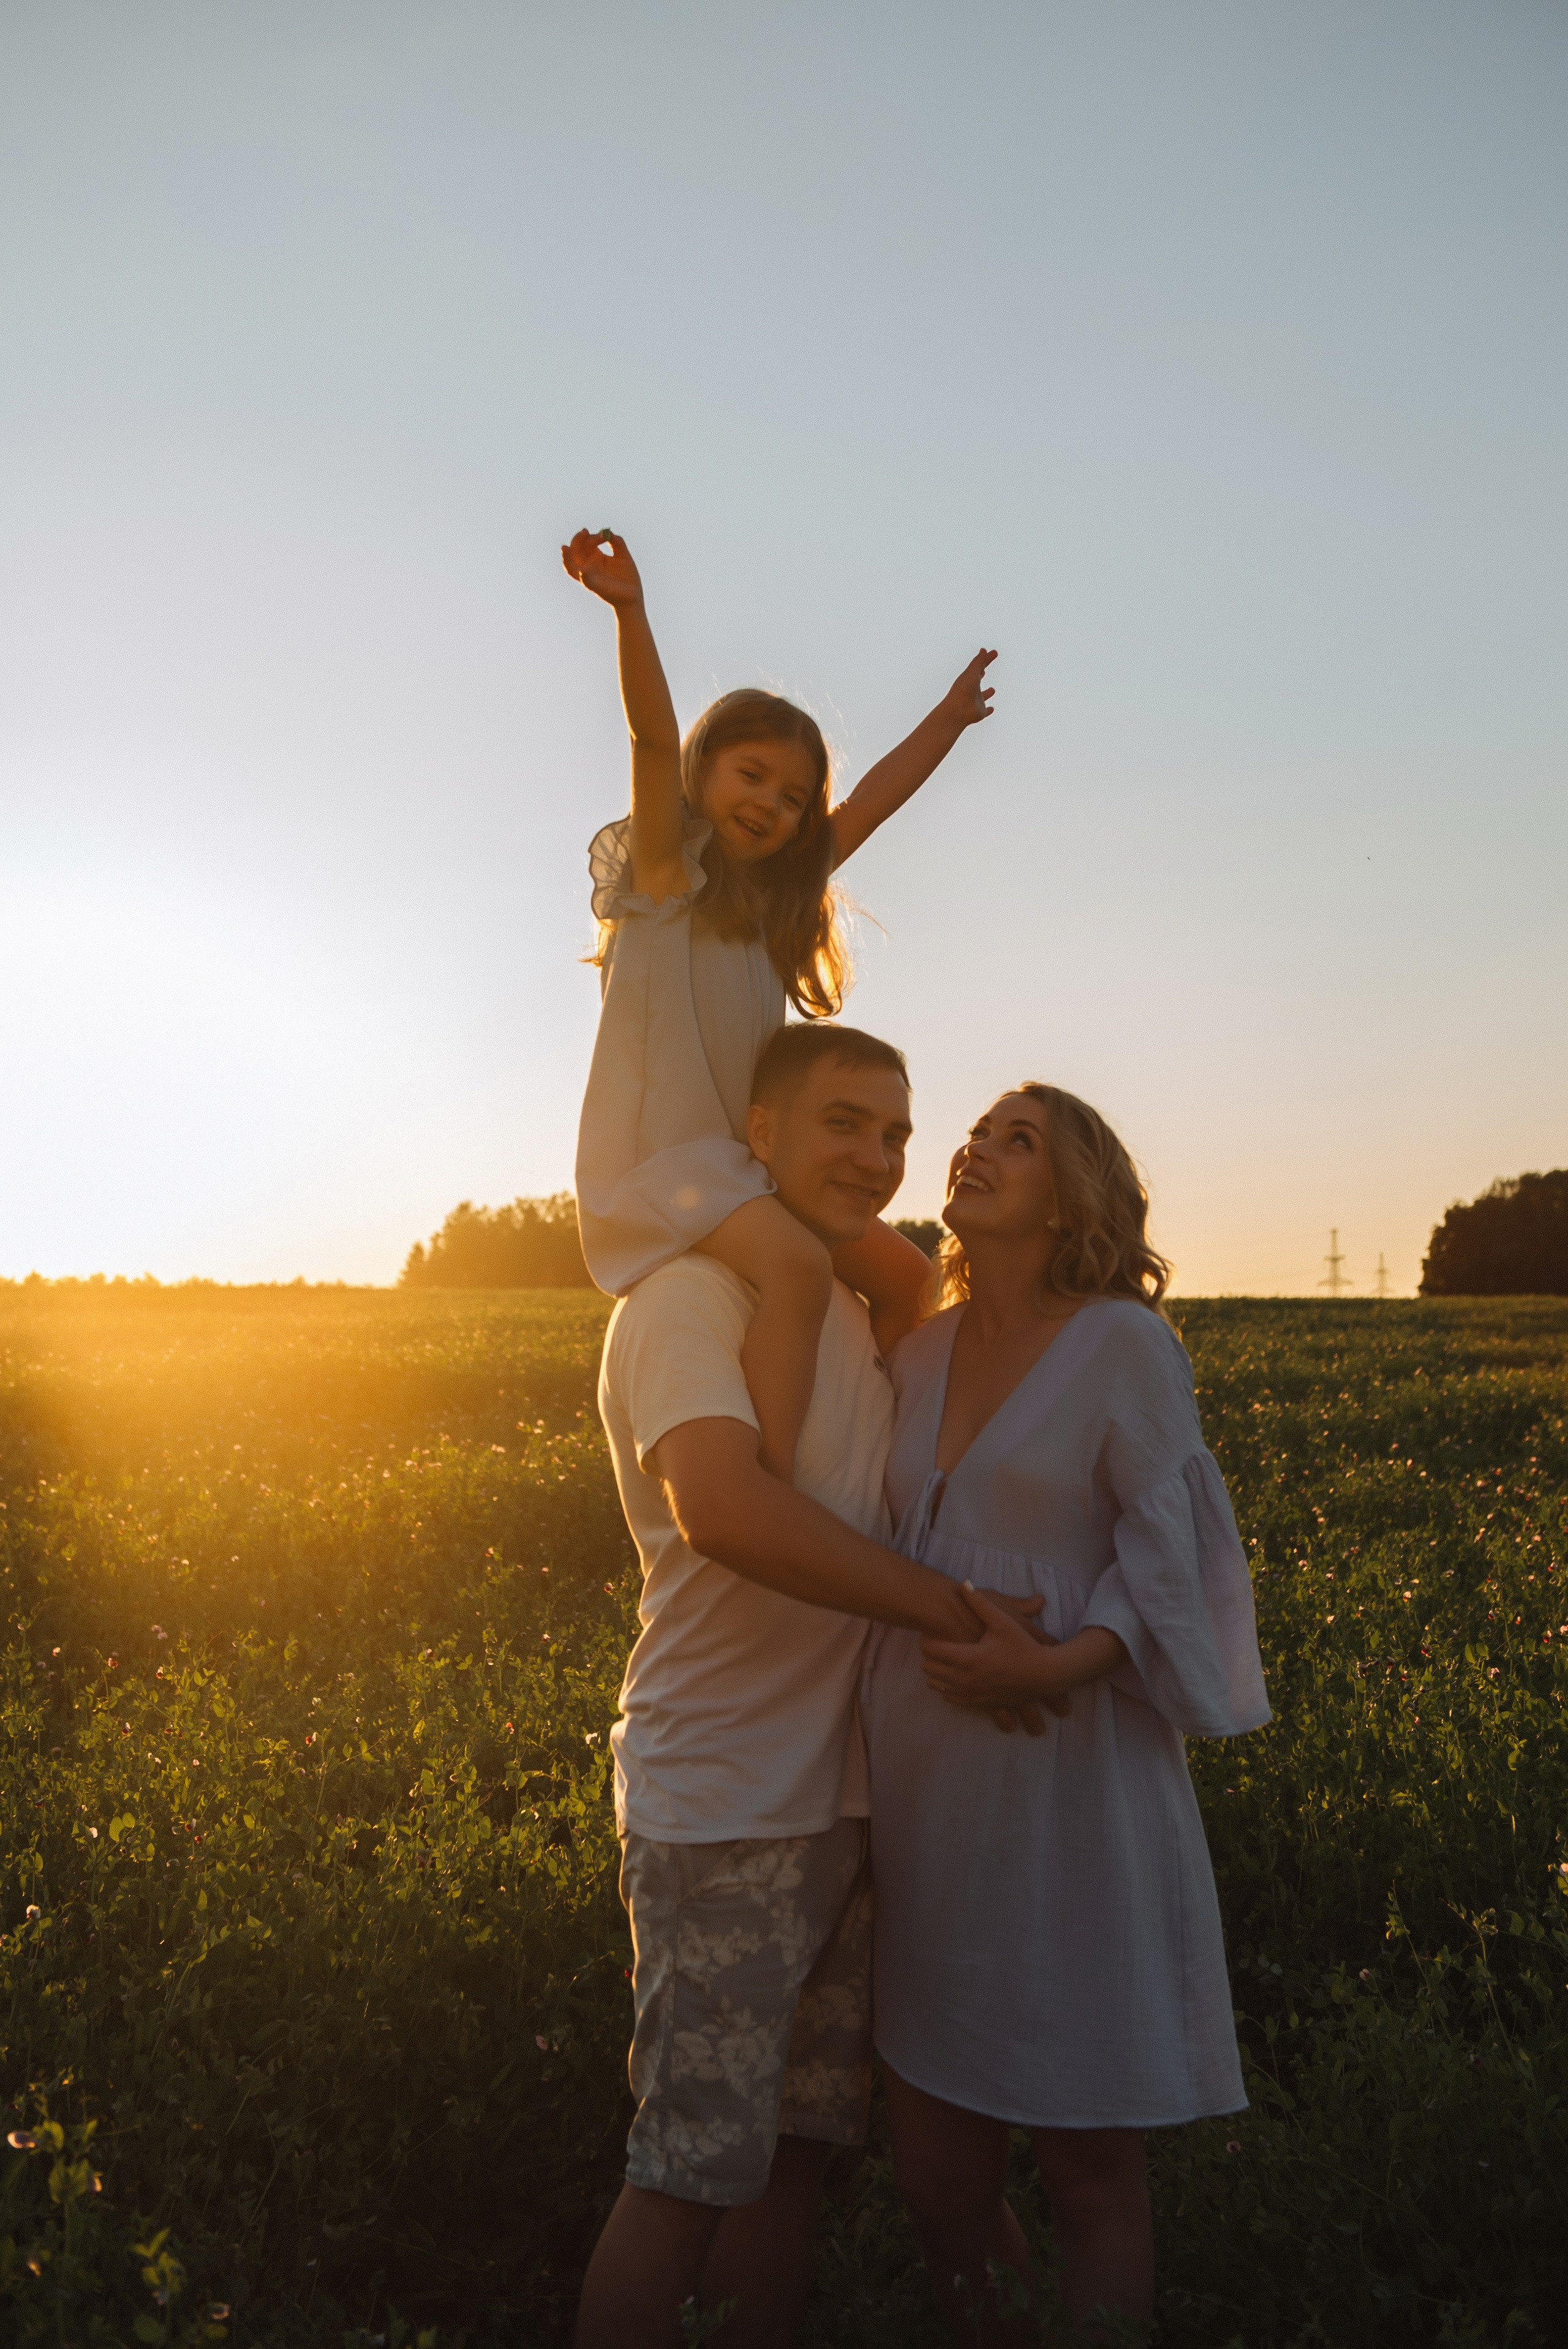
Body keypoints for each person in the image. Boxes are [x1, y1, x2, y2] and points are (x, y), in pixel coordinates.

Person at [573, 1023, 1038, 2349]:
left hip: (845, 1802)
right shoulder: (684, 1296)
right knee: (684, 2177)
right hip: (726, 1803)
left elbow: (925, 1293)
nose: (878, 1157)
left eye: (896, 1134)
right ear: (758, 1134)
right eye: (844, 1123)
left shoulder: (842, 1306)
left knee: (791, 2160)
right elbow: (723, 1509)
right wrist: (951, 1612)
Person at [861, 1083, 1272, 2342]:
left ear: (1072, 1196)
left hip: (1071, 1785)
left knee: (1089, 2170)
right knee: (936, 2176)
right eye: (976, 1132)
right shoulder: (913, 1353)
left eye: (1018, 1139)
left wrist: (1059, 1667)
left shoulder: (1120, 1344)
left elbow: (1172, 1553)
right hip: (926, 1803)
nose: (975, 1148)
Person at [562, 524, 995, 1477]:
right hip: (661, 1167)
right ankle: (775, 1478)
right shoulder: (665, 880)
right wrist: (631, 613)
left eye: (794, 797)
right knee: (798, 1268)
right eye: (750, 776)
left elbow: (872, 802)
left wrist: (948, 721)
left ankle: (902, 1467)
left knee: (907, 1276)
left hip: (744, 1168)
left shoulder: (775, 907)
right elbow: (649, 738)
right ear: (704, 773)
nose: (769, 803)